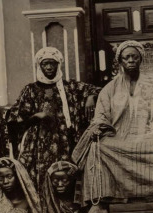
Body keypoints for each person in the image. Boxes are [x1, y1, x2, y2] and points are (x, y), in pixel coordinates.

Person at [72, 40, 153, 213]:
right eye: (126, 57)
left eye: (134, 57)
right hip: (119, 135)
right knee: (98, 148)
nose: (131, 60)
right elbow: (101, 115)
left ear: (141, 60)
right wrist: (100, 126)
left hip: (151, 133)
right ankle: (99, 205)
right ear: (120, 61)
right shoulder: (110, 88)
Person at [7, 47, 101, 190]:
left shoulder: (70, 87)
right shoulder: (30, 89)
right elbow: (15, 118)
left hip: (65, 141)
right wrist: (36, 116)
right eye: (45, 64)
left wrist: (90, 97)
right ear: (40, 66)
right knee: (41, 177)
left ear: (58, 65)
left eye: (53, 63)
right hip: (38, 144)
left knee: (65, 177)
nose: (49, 67)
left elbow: (98, 89)